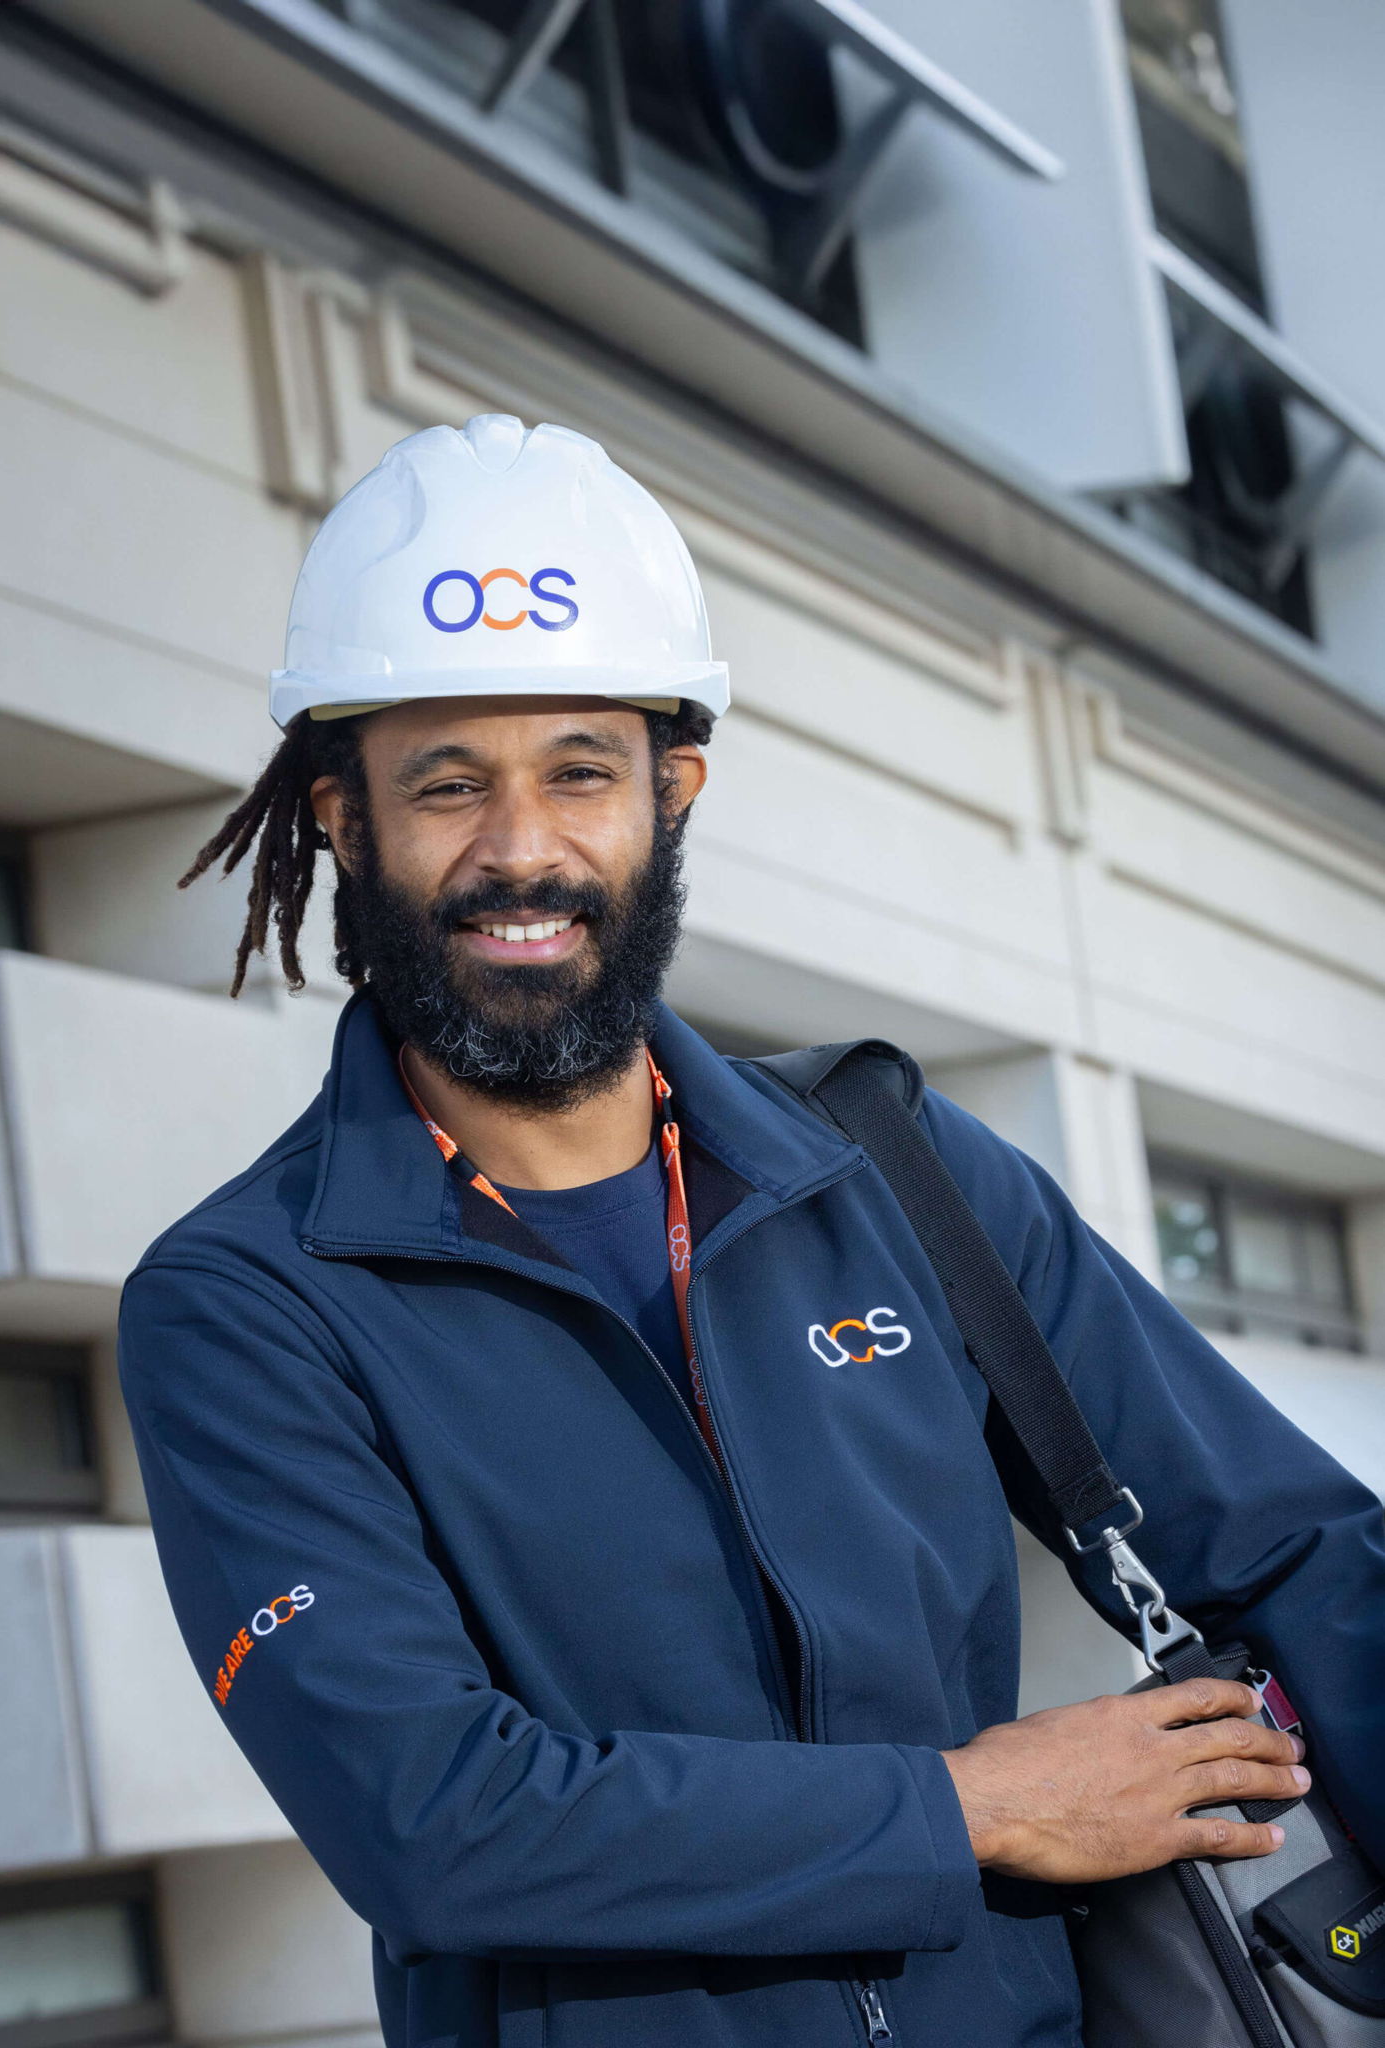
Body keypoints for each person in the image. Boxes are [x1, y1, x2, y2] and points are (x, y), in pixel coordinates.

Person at [119, 415, 1385, 2048]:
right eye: (447, 785)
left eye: (580, 770)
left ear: (672, 788)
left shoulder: (893, 1166)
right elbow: (433, 1821)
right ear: (346, 820)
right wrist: (970, 1810)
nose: (523, 852)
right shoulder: (247, 1306)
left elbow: (1293, 1550)